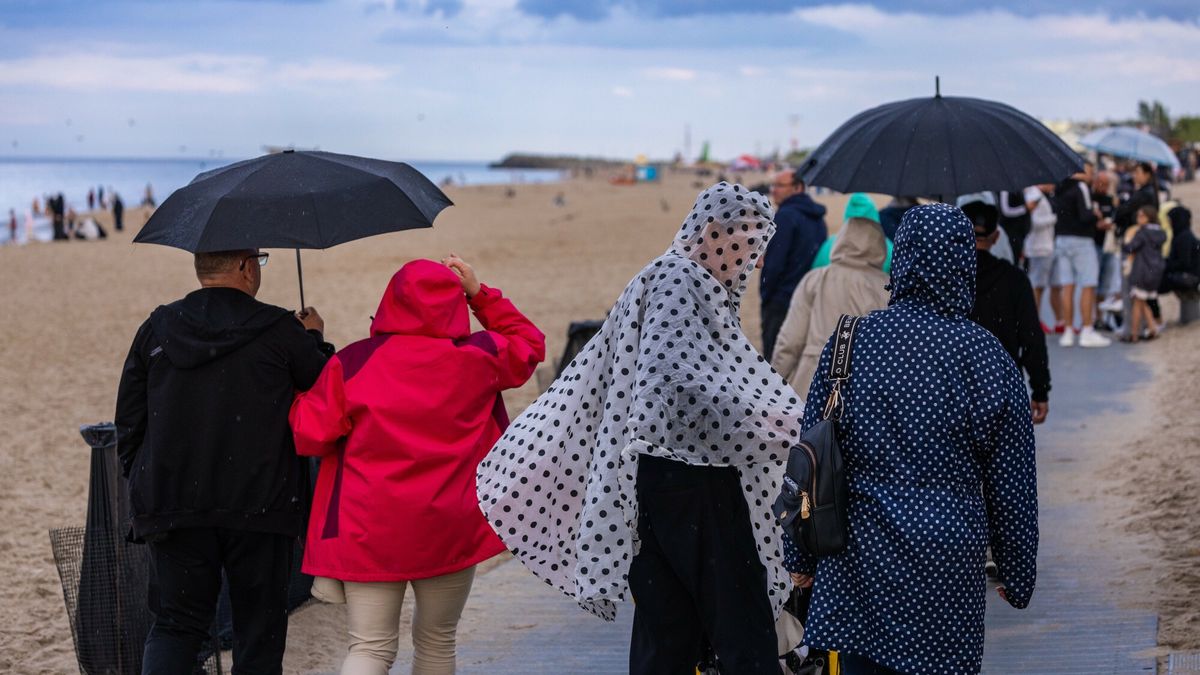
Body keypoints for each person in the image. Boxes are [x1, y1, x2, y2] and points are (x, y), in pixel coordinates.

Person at [478, 183, 801, 675]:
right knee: (740, 622)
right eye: (748, 244)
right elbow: (671, 384)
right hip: (691, 478)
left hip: (658, 477)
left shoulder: (672, 277)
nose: (752, 262)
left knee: (667, 627)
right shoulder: (680, 278)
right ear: (714, 232)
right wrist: (763, 420)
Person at [786, 204, 1038, 674]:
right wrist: (1017, 571)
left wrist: (799, 555)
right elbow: (1013, 484)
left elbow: (809, 455)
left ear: (901, 259)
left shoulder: (851, 339)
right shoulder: (989, 357)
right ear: (964, 262)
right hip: (947, 556)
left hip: (861, 555)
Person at [289, 256, 545, 675]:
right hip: (450, 523)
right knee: (436, 641)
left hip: (368, 527)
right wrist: (480, 295)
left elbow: (310, 435)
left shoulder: (352, 363)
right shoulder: (480, 357)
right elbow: (529, 341)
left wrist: (304, 392)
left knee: (369, 648)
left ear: (390, 302)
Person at [114, 248, 332, 674]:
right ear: (246, 268)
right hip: (259, 503)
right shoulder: (280, 329)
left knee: (176, 626)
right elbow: (327, 393)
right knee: (259, 630)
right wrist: (313, 338)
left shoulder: (157, 328)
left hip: (174, 500)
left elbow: (129, 421)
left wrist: (141, 478)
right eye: (259, 262)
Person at [772, 193, 890, 399]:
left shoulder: (815, 279)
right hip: (864, 386)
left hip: (812, 379)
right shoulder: (887, 287)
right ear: (878, 243)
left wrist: (772, 386)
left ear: (841, 240)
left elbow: (790, 342)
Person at [963, 199, 1050, 423]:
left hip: (955, 387)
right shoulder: (1014, 279)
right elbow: (1031, 336)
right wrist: (1040, 389)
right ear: (996, 237)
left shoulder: (947, 280)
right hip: (1003, 384)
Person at [761, 170, 827, 360]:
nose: (773, 191)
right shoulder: (818, 217)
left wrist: (767, 296)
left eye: (780, 186)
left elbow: (773, 264)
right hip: (809, 297)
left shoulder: (786, 216)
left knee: (774, 360)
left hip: (782, 299)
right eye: (773, 186)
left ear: (798, 187)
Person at [1052, 162, 1110, 347]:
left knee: (1067, 286)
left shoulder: (1060, 187)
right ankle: (1086, 329)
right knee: (1087, 284)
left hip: (1061, 239)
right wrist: (1097, 215)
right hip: (1081, 241)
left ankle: (1068, 331)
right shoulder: (1081, 188)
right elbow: (1085, 216)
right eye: (1091, 172)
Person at [1122, 206, 1167, 342]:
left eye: (1142, 216)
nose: (1138, 219)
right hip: (1155, 271)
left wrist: (1123, 244)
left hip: (1141, 271)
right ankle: (1153, 329)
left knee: (1137, 303)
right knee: (1144, 302)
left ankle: (1134, 334)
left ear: (1149, 217)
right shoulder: (1161, 233)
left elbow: (1130, 248)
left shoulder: (1142, 233)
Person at [1024, 184, 1059, 330]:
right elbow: (1033, 222)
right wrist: (1053, 219)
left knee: (1041, 286)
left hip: (1045, 246)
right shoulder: (1033, 195)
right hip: (1038, 247)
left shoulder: (1039, 195)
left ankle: (1036, 318)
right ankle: (1033, 319)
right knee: (1037, 286)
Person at [998, 190, 1031, 262]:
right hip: (1010, 231)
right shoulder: (1005, 190)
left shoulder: (1020, 189)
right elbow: (1005, 211)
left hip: (1019, 231)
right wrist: (1025, 208)